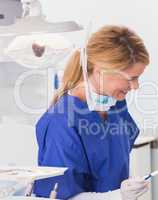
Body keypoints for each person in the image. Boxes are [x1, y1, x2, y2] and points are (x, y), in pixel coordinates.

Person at [34, 25, 150, 200]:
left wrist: (129, 187)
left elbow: (117, 163)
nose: (135, 87)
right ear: (100, 71)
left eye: (138, 77)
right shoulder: (61, 121)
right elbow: (62, 196)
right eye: (131, 78)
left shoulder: (115, 106)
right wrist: (119, 196)